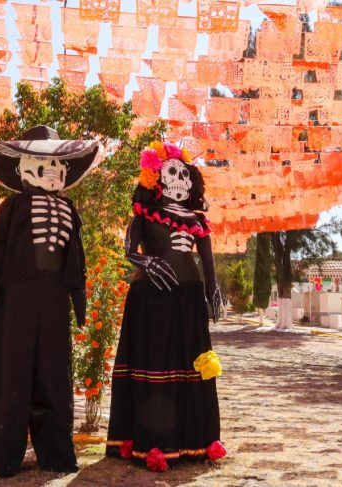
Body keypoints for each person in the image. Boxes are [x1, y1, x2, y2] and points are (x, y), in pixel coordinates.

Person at [0, 126, 102, 477]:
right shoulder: (12, 207)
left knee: (54, 371)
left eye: (58, 163)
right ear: (24, 167)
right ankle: (4, 454)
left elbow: (76, 255)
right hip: (17, 298)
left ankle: (56, 454)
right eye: (45, 162)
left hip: (55, 299)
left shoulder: (69, 209)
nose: (54, 169)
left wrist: (78, 293)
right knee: (12, 368)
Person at [105, 141, 226, 471]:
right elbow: (129, 251)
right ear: (155, 178)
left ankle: (197, 440)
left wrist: (212, 290)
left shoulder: (198, 221)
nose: (180, 180)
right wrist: (146, 262)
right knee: (156, 361)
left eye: (185, 175)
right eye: (173, 173)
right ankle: (153, 442)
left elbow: (207, 261)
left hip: (190, 298)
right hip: (152, 295)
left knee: (193, 363)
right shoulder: (144, 214)